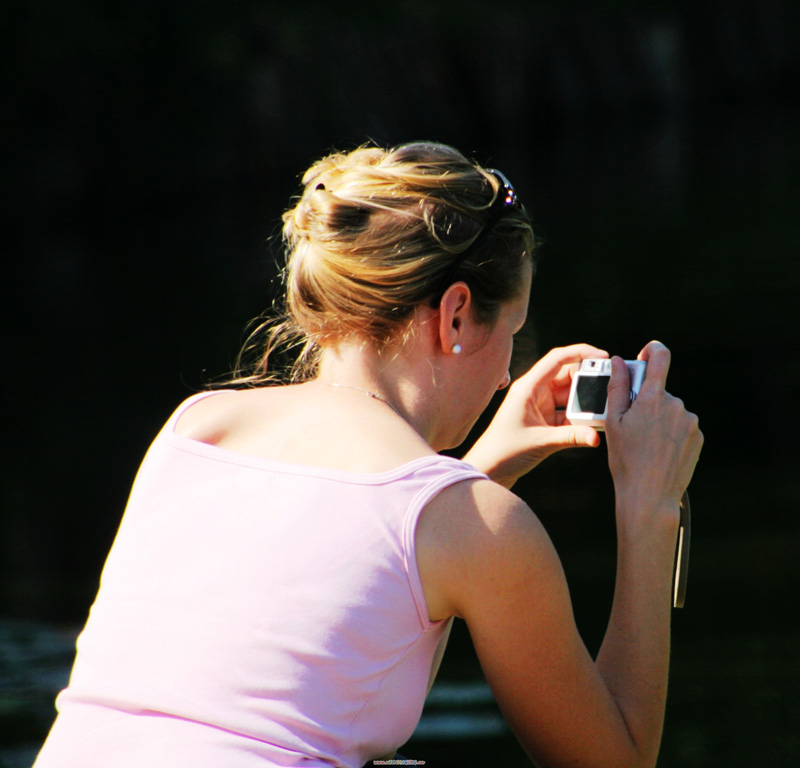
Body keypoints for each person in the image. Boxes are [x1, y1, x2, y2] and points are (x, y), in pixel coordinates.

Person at [34, 141, 702, 768]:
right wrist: (650, 505)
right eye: (514, 333)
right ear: (458, 315)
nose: (507, 377)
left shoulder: (200, 428)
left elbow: (371, 589)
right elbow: (613, 757)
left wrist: (489, 459)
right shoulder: (481, 529)